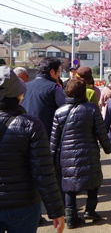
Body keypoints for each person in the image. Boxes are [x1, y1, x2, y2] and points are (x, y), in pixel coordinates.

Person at [0, 66, 65, 233]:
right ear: (18, 96)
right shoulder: (31, 125)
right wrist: (56, 210)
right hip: (24, 204)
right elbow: (43, 171)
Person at [51, 78, 111, 229]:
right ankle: (90, 211)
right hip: (89, 150)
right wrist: (108, 148)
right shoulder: (91, 109)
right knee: (93, 182)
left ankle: (71, 217)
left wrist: (51, 157)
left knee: (69, 185)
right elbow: (101, 131)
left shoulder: (59, 111)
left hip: (67, 154)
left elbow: (54, 139)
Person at [21, 57, 66, 136]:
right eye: (58, 72)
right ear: (52, 72)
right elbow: (65, 109)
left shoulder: (24, 86)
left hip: (23, 132)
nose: (59, 75)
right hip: (45, 134)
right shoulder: (54, 88)